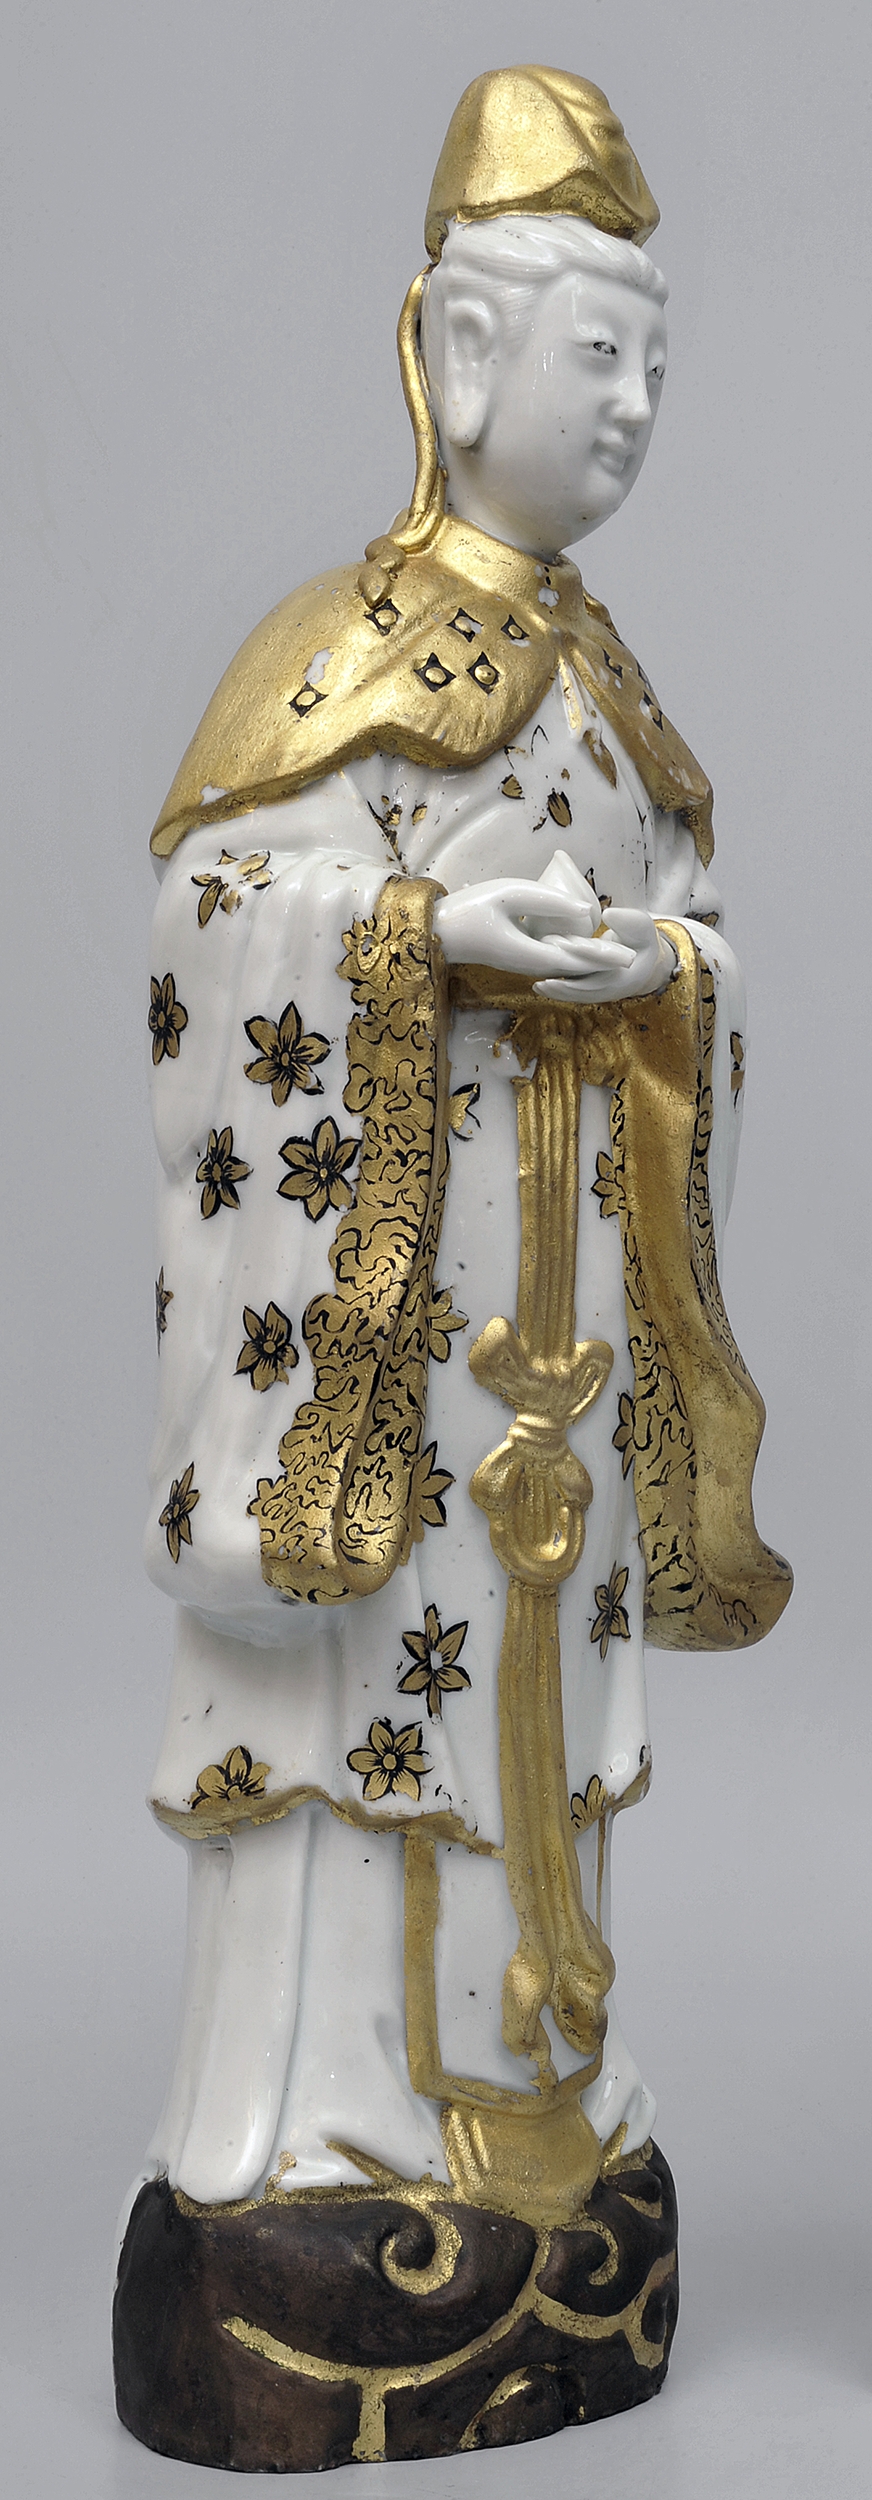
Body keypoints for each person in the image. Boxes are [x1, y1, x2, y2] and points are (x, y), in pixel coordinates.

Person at [138, 66, 791, 2233]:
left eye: (658, 363)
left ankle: (549, 2095)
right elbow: (212, 925)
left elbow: (698, 939)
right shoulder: (337, 661)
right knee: (369, 1700)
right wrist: (414, 940)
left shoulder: (615, 699)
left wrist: (659, 974)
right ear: (465, 349)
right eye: (602, 353)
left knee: (548, 1698)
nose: (635, 408)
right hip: (389, 1338)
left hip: (567, 1335)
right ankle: (331, 2131)